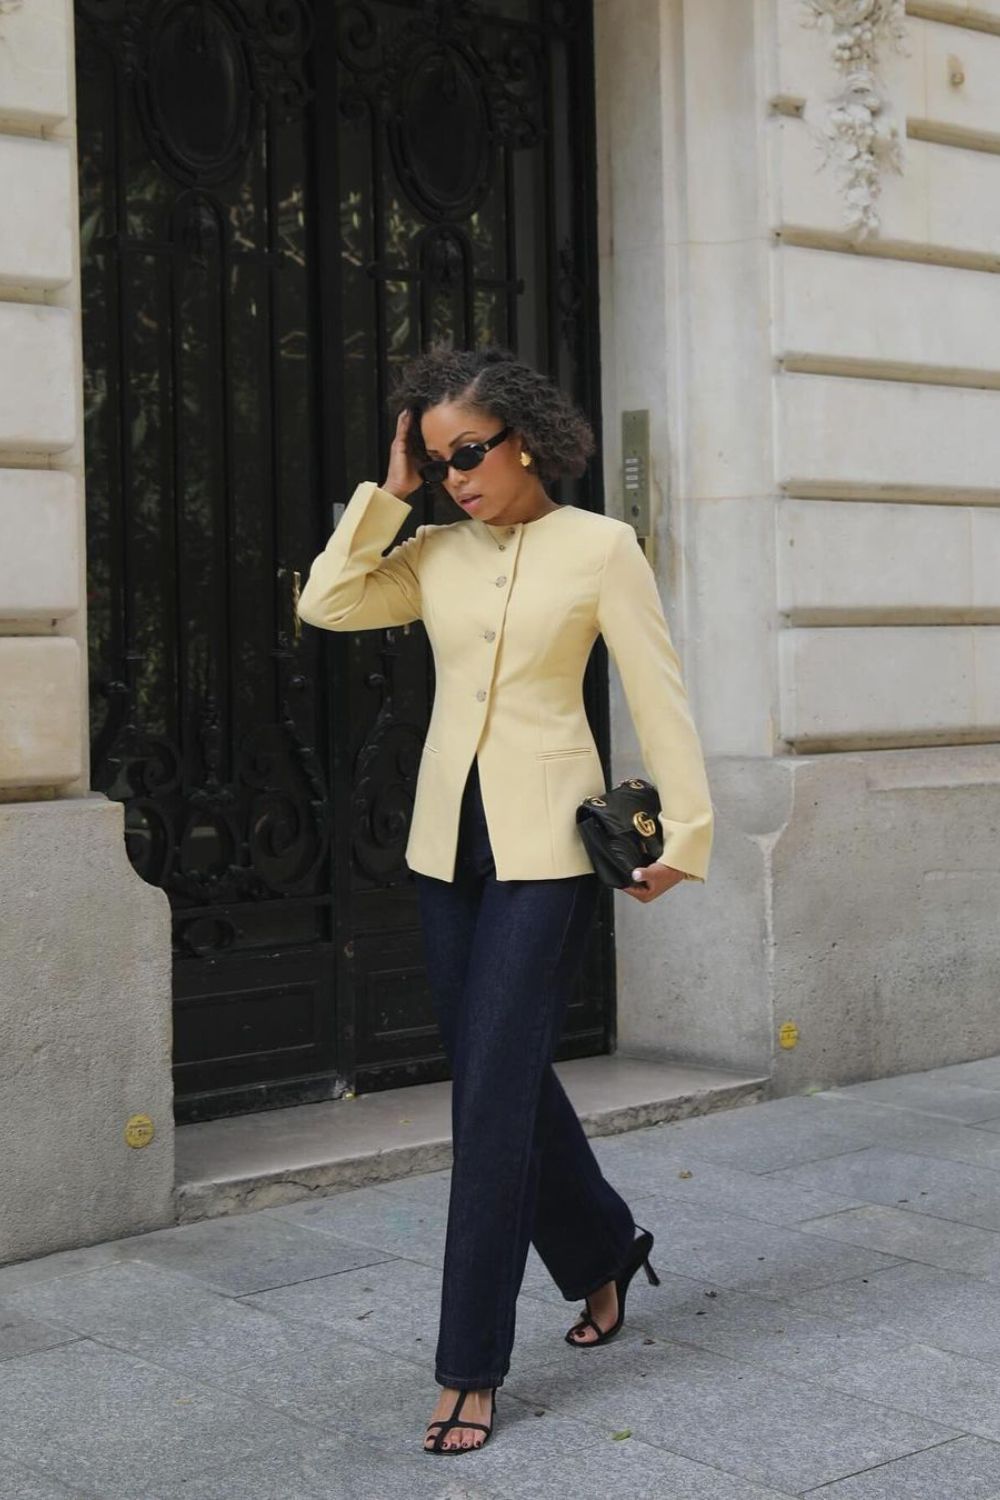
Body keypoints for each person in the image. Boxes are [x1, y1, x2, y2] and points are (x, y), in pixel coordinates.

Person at [297, 346, 714, 1455]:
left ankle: (468, 1365)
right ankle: (605, 1250)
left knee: (487, 1098)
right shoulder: (430, 551)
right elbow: (327, 601)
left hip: (547, 850)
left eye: (469, 452)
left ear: (523, 438)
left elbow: (657, 691)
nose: (457, 476)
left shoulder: (600, 546)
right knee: (502, 1071)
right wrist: (388, 495)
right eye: (439, 461)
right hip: (448, 846)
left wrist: (686, 833)